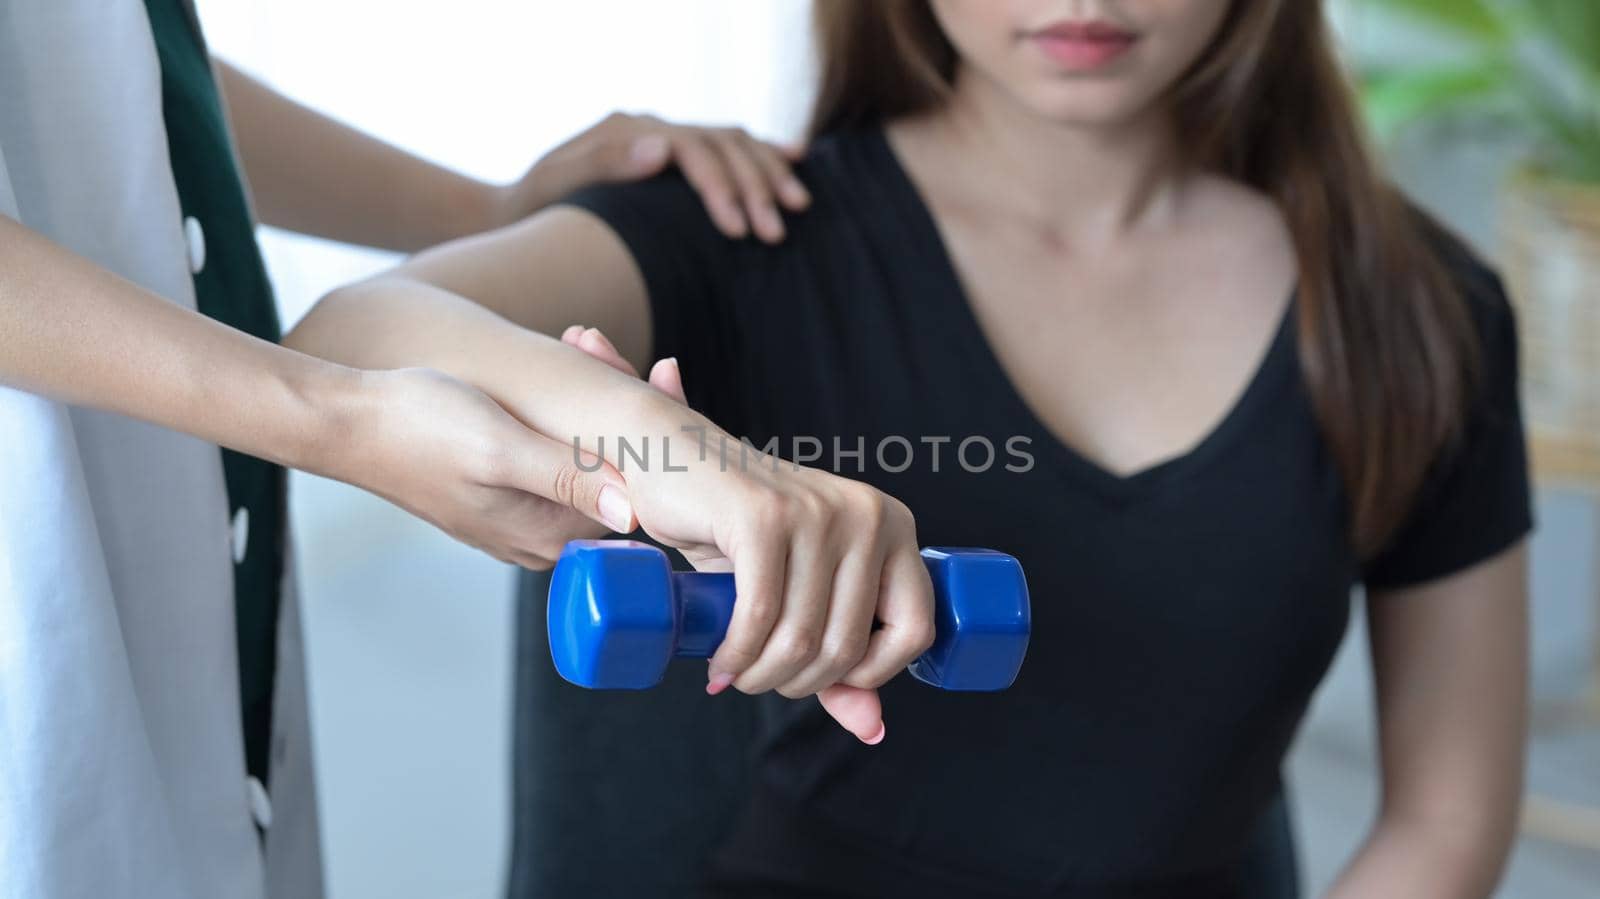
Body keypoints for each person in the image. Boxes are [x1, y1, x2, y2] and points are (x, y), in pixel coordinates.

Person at [286, 0, 1534, 896]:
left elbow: (1448, 813)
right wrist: (666, 449)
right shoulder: (741, 231)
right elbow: (352, 337)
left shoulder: (1420, 308)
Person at [0, 2, 935, 897]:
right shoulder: (747, 239)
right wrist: (352, 418)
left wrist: (492, 207)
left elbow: (118, 71)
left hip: (181, 589)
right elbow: (350, 334)